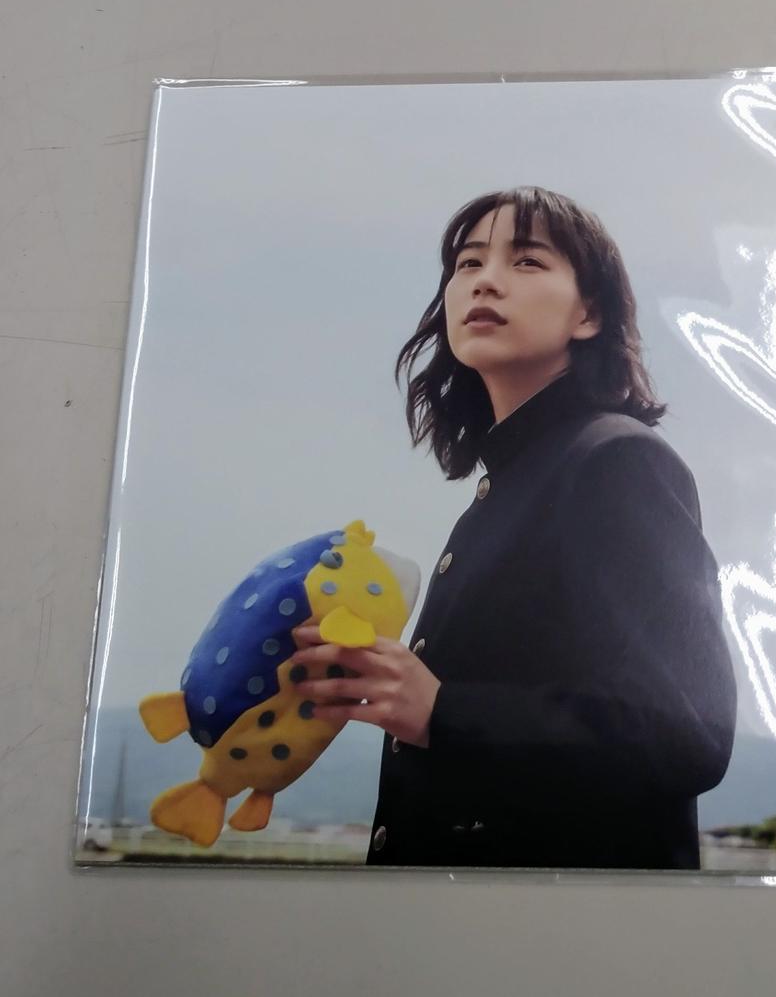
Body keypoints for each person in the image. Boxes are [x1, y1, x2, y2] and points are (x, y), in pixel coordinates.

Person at [288, 186, 737, 869]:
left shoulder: (618, 460)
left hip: (558, 929)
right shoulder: (508, 483)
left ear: (589, 313)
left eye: (527, 261)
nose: (485, 280)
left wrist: (442, 710)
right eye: (468, 263)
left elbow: (688, 732)